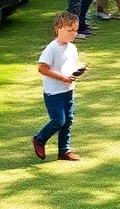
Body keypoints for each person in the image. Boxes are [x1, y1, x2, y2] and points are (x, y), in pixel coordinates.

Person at [32, 12, 87, 162]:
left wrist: (80, 68)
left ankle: (64, 150)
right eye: (70, 30)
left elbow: (73, 63)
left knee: (68, 120)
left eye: (75, 30)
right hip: (53, 92)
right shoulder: (51, 49)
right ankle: (39, 139)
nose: (73, 34)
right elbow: (42, 68)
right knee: (58, 120)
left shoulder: (72, 48)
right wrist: (62, 78)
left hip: (68, 90)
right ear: (58, 28)